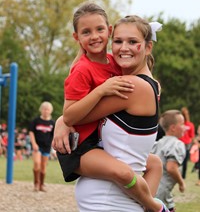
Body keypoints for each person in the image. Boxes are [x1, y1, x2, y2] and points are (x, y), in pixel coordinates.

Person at [54, 11, 167, 211]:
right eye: (118, 41)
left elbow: (75, 116)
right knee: (153, 163)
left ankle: (154, 207)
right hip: (95, 173)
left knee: (149, 166)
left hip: (109, 200)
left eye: (133, 42)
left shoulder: (130, 84)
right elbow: (76, 96)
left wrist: (63, 120)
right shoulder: (122, 75)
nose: (124, 48)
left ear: (148, 47)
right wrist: (63, 120)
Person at [152, 110, 186, 212]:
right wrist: (181, 183)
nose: (185, 127)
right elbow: (171, 167)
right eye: (182, 124)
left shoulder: (158, 143)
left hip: (152, 188)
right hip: (161, 193)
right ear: (173, 128)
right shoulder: (177, 144)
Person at [29, 101, 55, 192]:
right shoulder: (36, 121)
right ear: (41, 110)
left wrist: (54, 148)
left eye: (47, 109)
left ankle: (41, 185)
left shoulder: (52, 123)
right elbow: (31, 132)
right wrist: (34, 144)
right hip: (37, 146)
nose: (46, 111)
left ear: (50, 111)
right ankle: (36, 183)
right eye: (44, 109)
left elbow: (54, 136)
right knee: (37, 163)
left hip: (46, 147)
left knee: (43, 168)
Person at [179, 106, 195, 179]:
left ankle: (183, 176)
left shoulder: (190, 125)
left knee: (185, 161)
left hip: (186, 144)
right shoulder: (179, 124)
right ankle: (178, 174)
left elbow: (192, 135)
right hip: (179, 143)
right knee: (179, 160)